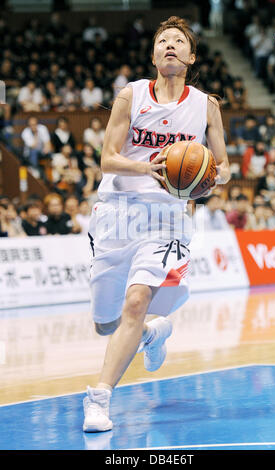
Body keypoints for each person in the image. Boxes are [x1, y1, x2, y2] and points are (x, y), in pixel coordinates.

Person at [83, 16, 230, 433]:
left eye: (178, 41)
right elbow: (107, 159)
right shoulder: (130, 96)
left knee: (136, 300)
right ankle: (151, 333)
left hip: (166, 215)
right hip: (116, 210)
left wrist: (205, 178)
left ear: (191, 56)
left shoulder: (207, 106)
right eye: (162, 40)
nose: (169, 45)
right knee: (105, 323)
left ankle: (99, 398)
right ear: (153, 54)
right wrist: (150, 167)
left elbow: (225, 168)